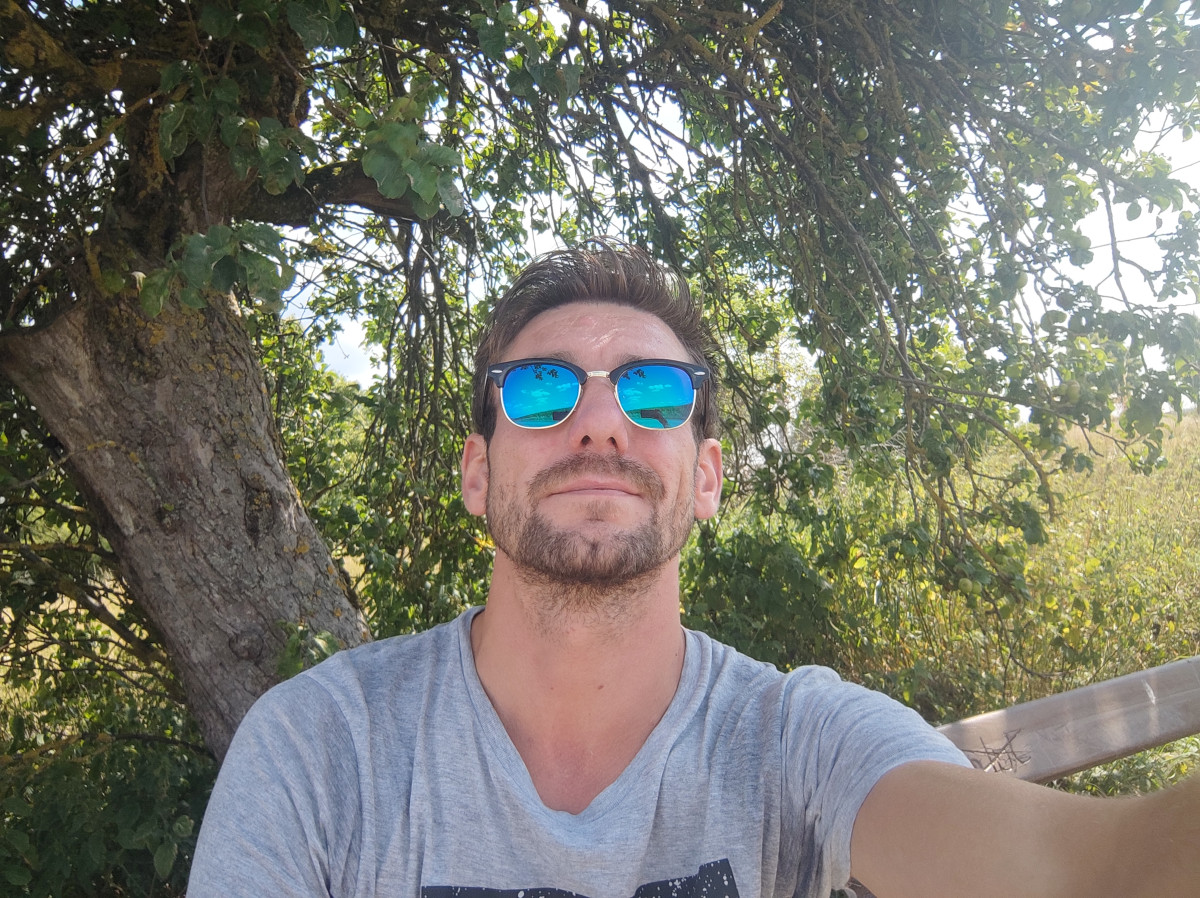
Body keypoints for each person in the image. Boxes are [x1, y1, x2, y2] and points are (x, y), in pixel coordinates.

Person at [189, 243, 1200, 898]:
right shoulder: (320, 749)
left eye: (655, 393)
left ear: (707, 477)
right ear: (476, 472)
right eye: (539, 390)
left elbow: (1091, 870)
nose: (599, 421)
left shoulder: (798, 740)